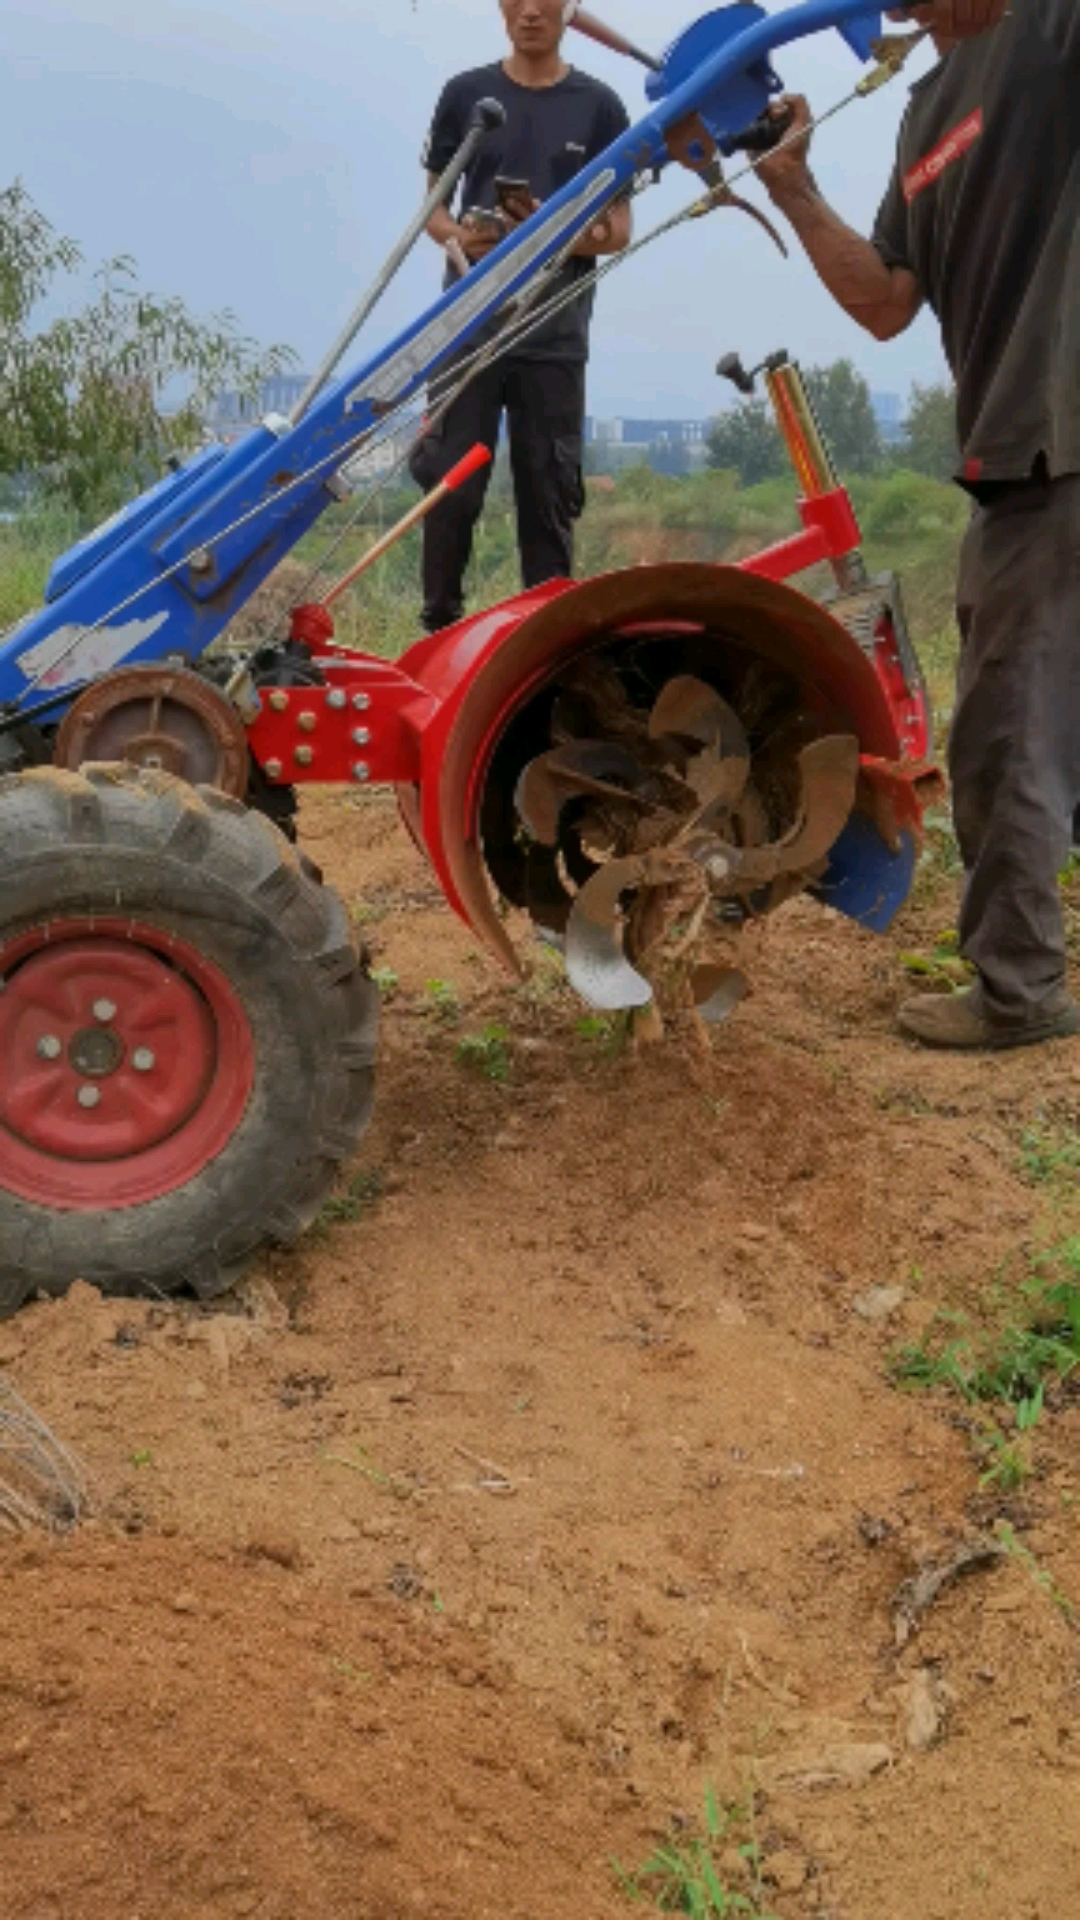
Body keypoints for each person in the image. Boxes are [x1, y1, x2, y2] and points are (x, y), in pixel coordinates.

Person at [757, 0, 1080, 1051]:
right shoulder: (924, 112)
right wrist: (794, 188)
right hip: (1010, 456)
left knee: (1004, 737)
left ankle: (1018, 993)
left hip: (1058, 433)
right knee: (1022, 725)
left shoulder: (1051, 30)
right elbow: (888, 299)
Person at [410, 0, 631, 636]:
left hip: (554, 331)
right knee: (452, 487)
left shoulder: (600, 107)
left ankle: (548, 642)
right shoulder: (466, 95)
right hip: (468, 327)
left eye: (546, 0)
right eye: (516, 0)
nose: (530, 12)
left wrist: (549, 234)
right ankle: (439, 630)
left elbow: (616, 229)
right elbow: (433, 209)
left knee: (548, 488)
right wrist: (466, 239)